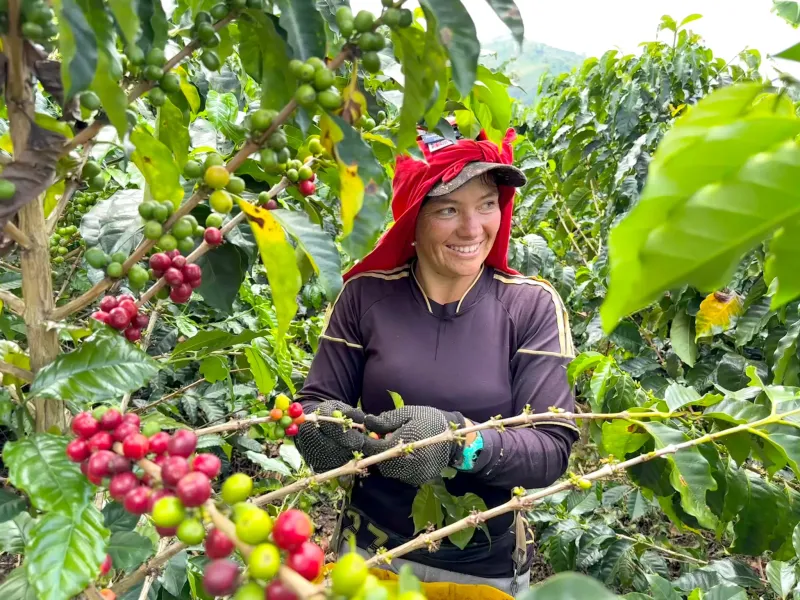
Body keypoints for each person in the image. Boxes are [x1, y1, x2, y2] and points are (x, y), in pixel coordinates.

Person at [294, 125, 579, 597]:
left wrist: (458, 441)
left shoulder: (530, 306)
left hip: (482, 567)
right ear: (414, 217)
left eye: (486, 204)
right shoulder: (364, 297)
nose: (472, 228)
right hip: (370, 554)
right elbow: (315, 402)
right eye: (448, 209)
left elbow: (551, 448)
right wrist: (318, 427)